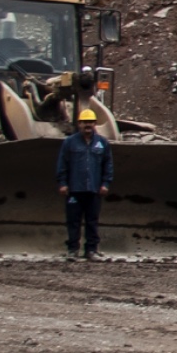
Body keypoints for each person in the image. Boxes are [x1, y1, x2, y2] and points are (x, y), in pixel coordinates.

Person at [56, 107, 113, 260]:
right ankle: (73, 250)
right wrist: (62, 183)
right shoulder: (70, 143)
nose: (87, 125)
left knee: (92, 221)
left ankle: (91, 250)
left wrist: (105, 183)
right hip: (75, 189)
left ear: (95, 124)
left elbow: (108, 165)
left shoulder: (102, 143)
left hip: (94, 189)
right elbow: (63, 164)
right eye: (84, 122)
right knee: (73, 221)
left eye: (90, 122)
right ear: (79, 124)